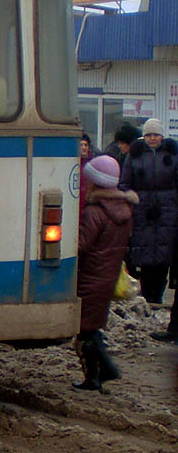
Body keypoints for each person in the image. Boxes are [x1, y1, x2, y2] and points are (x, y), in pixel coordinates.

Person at [73, 155, 136, 392]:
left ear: (95, 181)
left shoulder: (95, 211)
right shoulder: (124, 209)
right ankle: (101, 372)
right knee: (92, 326)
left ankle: (97, 376)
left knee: (84, 330)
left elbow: (82, 244)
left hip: (90, 275)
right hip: (108, 275)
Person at [118, 118, 178, 305]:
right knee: (144, 255)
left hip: (167, 211)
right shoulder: (135, 155)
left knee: (163, 255)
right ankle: (146, 295)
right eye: (149, 135)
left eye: (156, 135)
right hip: (142, 211)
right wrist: (132, 200)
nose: (152, 138)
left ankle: (157, 296)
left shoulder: (173, 154)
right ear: (144, 136)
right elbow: (125, 183)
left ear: (162, 136)